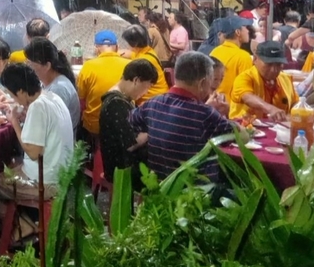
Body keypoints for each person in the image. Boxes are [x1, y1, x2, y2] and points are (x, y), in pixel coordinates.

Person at [0, 63, 74, 239]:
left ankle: (22, 226)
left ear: (20, 91)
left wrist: (14, 122)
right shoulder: (51, 97)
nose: (14, 99)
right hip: (63, 174)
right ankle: (25, 223)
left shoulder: (37, 107)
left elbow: (33, 153)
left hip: (46, 182)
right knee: (12, 164)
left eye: (13, 95)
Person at [129, 52, 233, 180]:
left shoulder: (152, 103)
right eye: (212, 81)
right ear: (202, 82)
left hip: (159, 187)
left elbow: (129, 123)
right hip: (197, 194)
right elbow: (241, 136)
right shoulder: (205, 113)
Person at [99, 59, 158, 183]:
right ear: (136, 80)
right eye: (147, 87)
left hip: (123, 163)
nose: (145, 93)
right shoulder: (116, 103)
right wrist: (153, 130)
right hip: (121, 168)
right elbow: (131, 144)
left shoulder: (120, 98)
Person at [77, 30, 130, 135]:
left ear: (96, 49)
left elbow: (81, 99)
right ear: (117, 47)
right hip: (123, 123)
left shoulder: (88, 66)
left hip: (94, 125)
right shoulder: (129, 65)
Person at [229, 41, 297, 121]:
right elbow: (247, 97)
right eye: (269, 64)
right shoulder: (244, 77)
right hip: (245, 130)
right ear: (255, 59)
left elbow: (295, 104)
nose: (273, 70)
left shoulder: (286, 79)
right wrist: (270, 109)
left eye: (278, 65)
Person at [23, 38, 80, 129]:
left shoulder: (58, 89)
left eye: (30, 64)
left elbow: (49, 126)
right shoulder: (48, 83)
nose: (28, 68)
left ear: (47, 66)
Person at [209, 15, 254, 99]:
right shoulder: (243, 56)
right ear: (238, 32)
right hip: (232, 109)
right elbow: (245, 89)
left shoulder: (215, 51)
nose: (248, 31)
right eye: (245, 27)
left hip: (215, 102)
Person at [121, 25, 169, 104]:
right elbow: (129, 54)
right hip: (159, 97)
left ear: (135, 43)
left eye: (127, 42)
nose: (127, 45)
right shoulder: (147, 51)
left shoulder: (144, 61)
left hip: (152, 102)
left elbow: (134, 87)